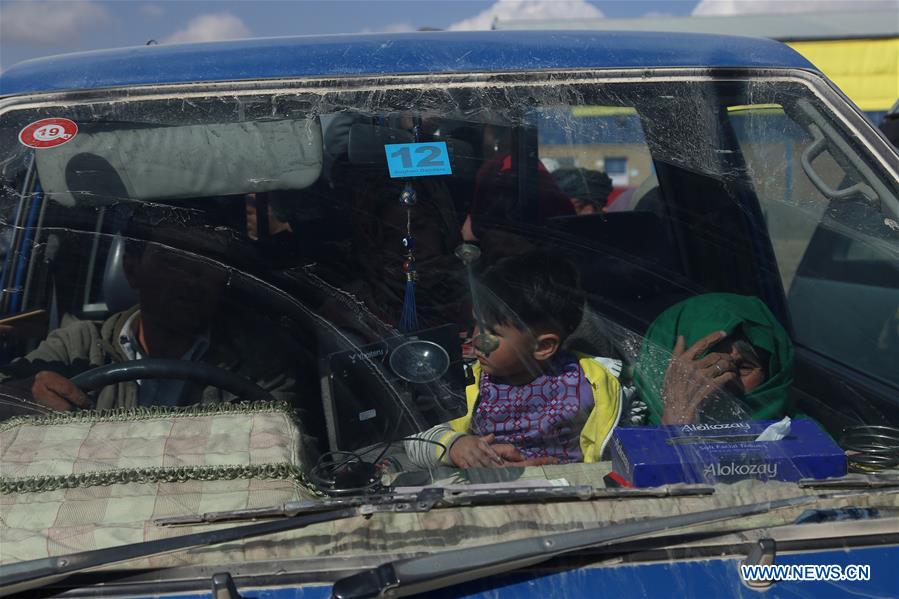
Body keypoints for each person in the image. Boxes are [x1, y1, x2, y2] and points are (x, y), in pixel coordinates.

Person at [0, 226, 299, 412]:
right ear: (131, 271)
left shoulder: (259, 364)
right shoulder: (77, 345)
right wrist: (26, 392)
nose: (189, 279)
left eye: (207, 262)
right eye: (171, 260)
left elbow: (292, 446)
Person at [405, 251, 622, 469]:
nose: (475, 340)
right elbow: (414, 439)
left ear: (543, 347)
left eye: (491, 333)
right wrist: (453, 445)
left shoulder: (594, 386)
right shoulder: (465, 383)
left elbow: (620, 455)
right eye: (476, 324)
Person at [632, 293, 795, 426]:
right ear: (662, 371)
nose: (725, 380)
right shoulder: (616, 435)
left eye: (743, 367)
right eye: (704, 366)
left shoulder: (805, 439)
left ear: (773, 378)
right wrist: (676, 425)